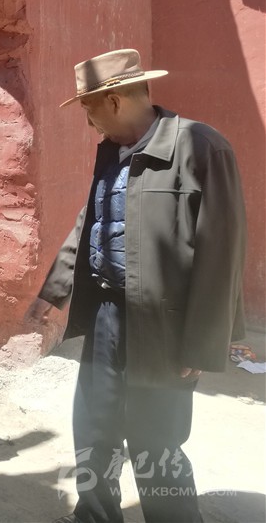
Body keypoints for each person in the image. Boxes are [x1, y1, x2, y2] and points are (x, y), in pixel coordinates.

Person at [26, 49, 247, 523]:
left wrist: (201, 342)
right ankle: (95, 514)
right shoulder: (112, 150)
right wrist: (55, 288)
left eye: (88, 109)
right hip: (107, 313)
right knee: (95, 423)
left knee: (155, 438)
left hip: (166, 323)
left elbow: (222, 255)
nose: (88, 122)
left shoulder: (201, 147)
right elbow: (94, 220)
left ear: (114, 101)